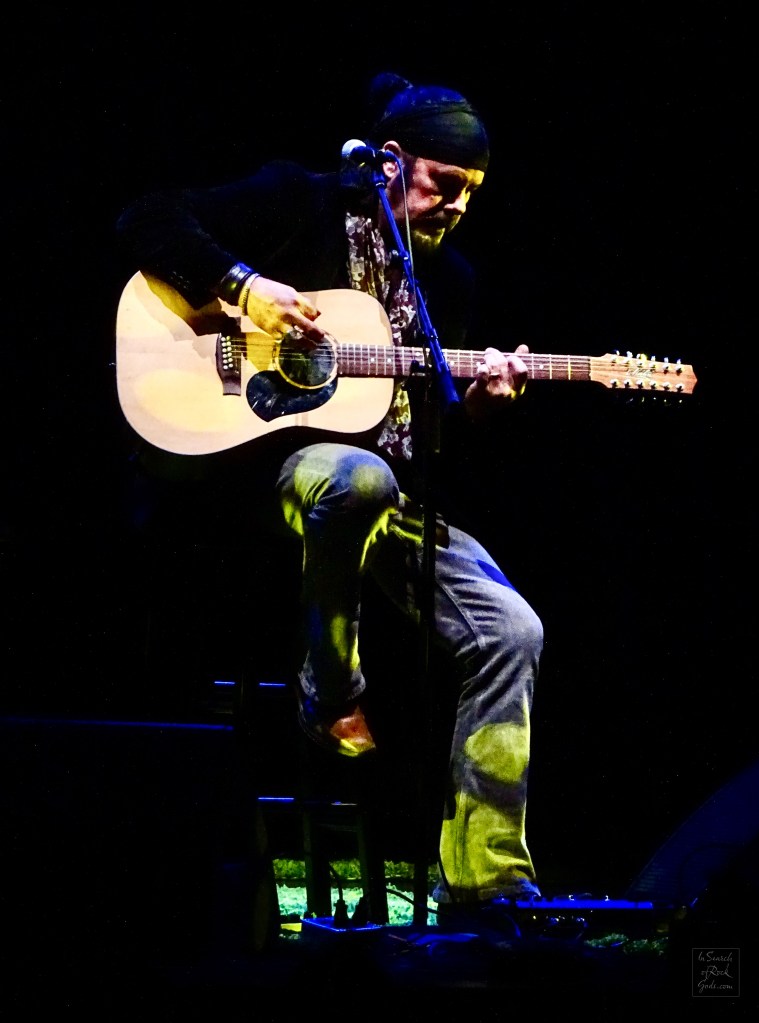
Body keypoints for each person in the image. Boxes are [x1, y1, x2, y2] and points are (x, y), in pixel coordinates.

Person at [115, 70, 544, 927]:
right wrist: (245, 286)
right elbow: (145, 218)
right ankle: (329, 682)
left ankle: (490, 880)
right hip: (270, 476)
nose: (457, 207)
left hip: (381, 501)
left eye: (471, 195)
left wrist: (483, 408)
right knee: (355, 476)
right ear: (390, 162)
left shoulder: (445, 286)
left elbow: (415, 440)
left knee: (513, 629)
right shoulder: (299, 201)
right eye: (443, 185)